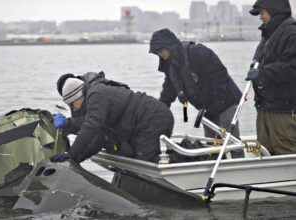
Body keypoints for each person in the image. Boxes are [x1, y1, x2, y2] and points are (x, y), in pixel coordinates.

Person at [149, 28, 243, 157]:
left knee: (232, 141)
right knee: (212, 146)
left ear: (169, 46)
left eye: (160, 50)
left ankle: (239, 168)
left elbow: (220, 75)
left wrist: (217, 102)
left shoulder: (197, 52)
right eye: (157, 53)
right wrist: (158, 111)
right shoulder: (170, 67)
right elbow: (168, 93)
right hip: (206, 108)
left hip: (225, 101)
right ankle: (217, 171)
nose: (160, 54)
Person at [50, 74, 174, 164]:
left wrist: (70, 153)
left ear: (78, 97)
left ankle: (187, 159)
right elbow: (99, 138)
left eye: (72, 105)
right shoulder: (93, 101)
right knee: (137, 159)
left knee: (147, 161)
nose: (74, 109)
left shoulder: (96, 95)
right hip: (144, 123)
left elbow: (90, 127)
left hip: (154, 118)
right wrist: (76, 158)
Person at [246, 0, 296, 155]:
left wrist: (262, 73)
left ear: (274, 10)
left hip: (283, 110)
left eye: (262, 12)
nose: (261, 17)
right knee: (263, 151)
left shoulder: (290, 33)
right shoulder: (269, 34)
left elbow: (291, 67)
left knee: (285, 150)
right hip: (265, 107)